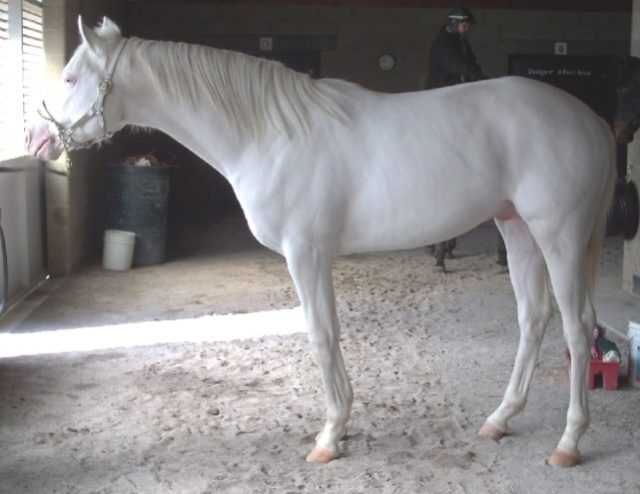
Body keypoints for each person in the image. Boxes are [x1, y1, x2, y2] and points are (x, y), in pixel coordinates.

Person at [425, 7, 486, 271]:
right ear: (454, 23)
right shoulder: (443, 43)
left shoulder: (462, 42)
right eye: (465, 25)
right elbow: (457, 66)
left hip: (458, 90)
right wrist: (473, 76)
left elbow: (471, 62)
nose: (467, 29)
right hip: (441, 91)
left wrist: (484, 79)